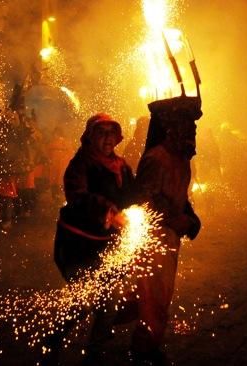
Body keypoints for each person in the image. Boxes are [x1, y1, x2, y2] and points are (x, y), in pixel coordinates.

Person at [46, 113, 134, 365]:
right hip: (78, 245)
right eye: (101, 132)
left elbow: (131, 195)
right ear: (91, 136)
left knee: (110, 300)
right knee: (85, 300)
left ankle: (96, 352)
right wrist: (107, 211)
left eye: (111, 133)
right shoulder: (80, 164)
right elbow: (77, 196)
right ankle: (55, 336)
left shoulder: (121, 165)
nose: (107, 138)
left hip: (108, 246)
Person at [132, 96, 202, 363]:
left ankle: (148, 343)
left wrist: (190, 217)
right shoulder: (156, 158)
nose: (192, 132)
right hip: (153, 238)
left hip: (170, 237)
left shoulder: (181, 159)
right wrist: (174, 218)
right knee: (152, 297)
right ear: (171, 128)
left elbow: (179, 197)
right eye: (187, 126)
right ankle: (144, 350)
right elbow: (145, 197)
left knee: (163, 294)